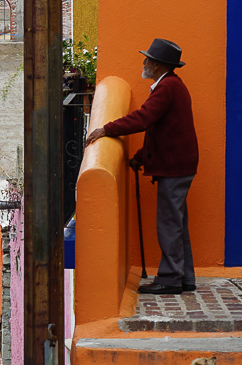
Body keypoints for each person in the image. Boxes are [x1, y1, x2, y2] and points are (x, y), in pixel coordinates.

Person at [85, 38, 199, 295]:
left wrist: (106, 128)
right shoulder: (170, 85)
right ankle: (184, 278)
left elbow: (144, 118)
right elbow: (160, 130)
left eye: (148, 59)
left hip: (175, 167)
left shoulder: (167, 87)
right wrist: (141, 156)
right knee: (177, 223)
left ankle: (170, 279)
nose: (144, 62)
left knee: (169, 223)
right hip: (178, 164)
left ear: (158, 65)